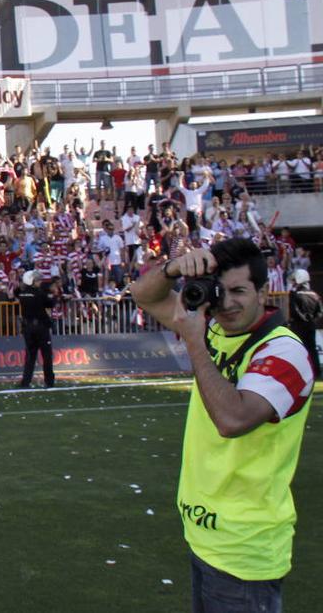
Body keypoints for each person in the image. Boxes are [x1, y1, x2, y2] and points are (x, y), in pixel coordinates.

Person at [131, 238, 314, 611]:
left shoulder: (284, 351)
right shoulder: (215, 329)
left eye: (239, 291)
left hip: (244, 551)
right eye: (221, 291)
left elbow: (233, 420)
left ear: (263, 293)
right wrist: (174, 267)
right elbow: (143, 295)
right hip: (206, 536)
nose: (227, 303)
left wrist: (195, 343)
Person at [16, 270, 56, 388]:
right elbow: (50, 304)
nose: (40, 282)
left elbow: (16, 291)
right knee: (46, 355)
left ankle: (26, 381)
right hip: (40, 327)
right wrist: (53, 296)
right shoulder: (39, 293)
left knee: (30, 357)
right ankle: (49, 381)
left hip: (28, 327)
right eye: (37, 280)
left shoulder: (22, 294)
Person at [287, 268, 321, 377]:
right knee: (312, 348)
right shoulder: (315, 295)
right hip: (311, 325)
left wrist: (303, 318)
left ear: (299, 279)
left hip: (298, 326)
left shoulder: (295, 294)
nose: (293, 282)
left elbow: (294, 311)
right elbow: (320, 312)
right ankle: (316, 371)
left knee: (298, 349)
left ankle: (300, 372)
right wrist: (311, 320)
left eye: (294, 280)